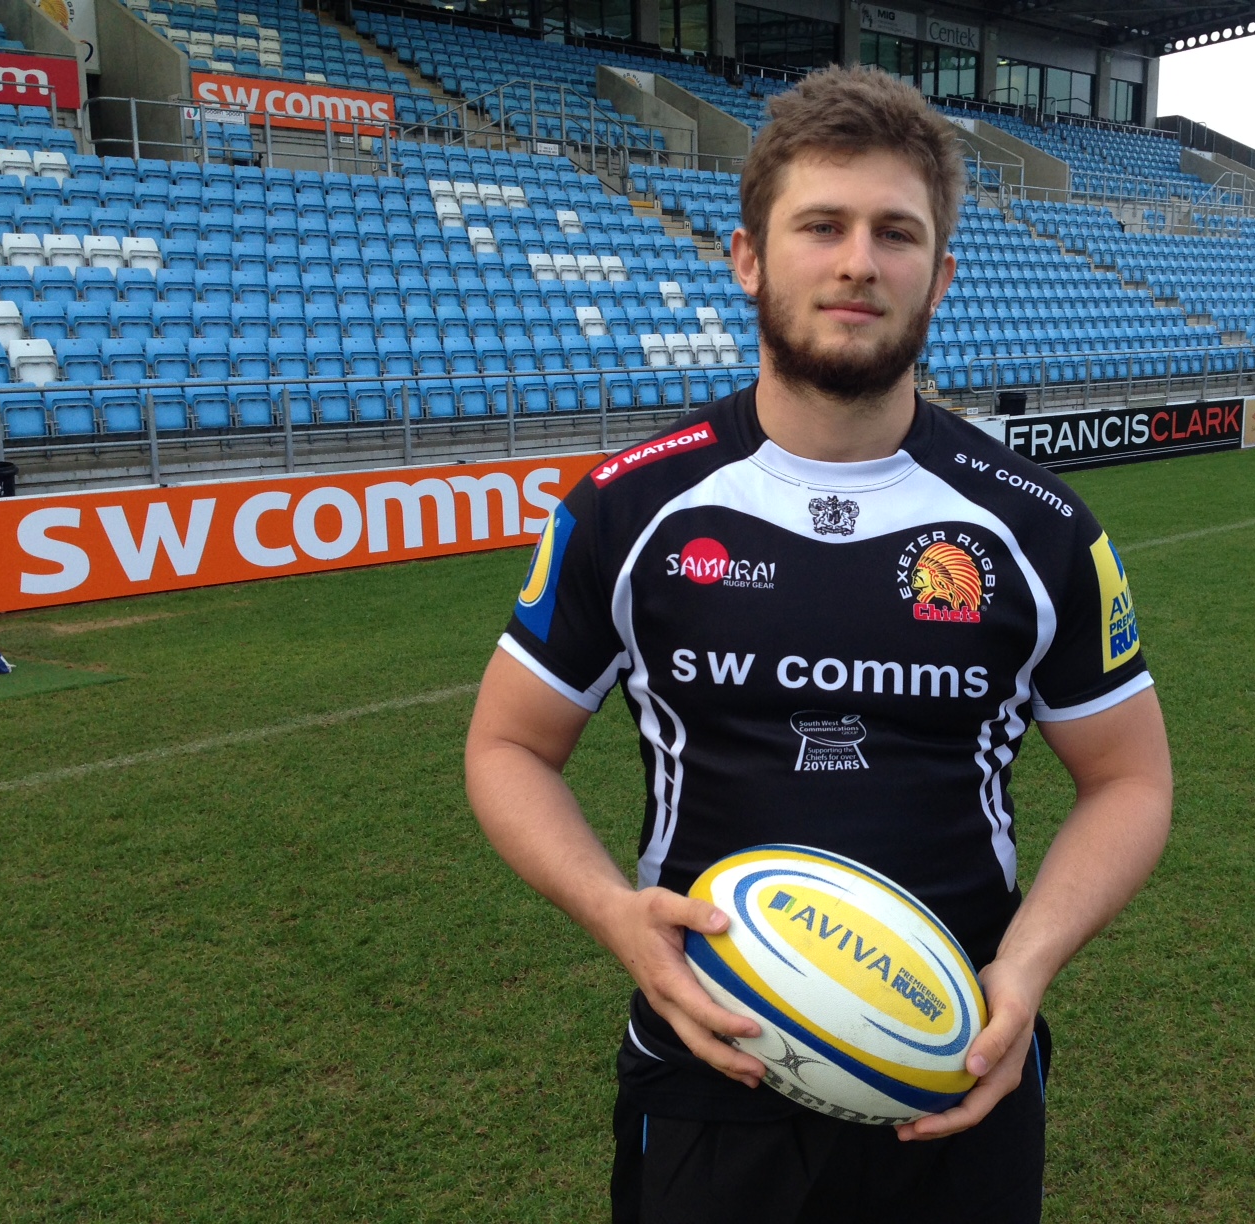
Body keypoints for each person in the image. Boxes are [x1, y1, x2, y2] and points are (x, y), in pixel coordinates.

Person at [464, 65, 1172, 1223]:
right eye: (822, 227)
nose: (858, 262)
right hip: (711, 1074)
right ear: (748, 257)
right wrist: (612, 912)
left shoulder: (1037, 527)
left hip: (956, 1076)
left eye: (897, 233)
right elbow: (506, 746)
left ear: (939, 276)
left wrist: (1026, 966)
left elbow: (1131, 778)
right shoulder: (629, 510)